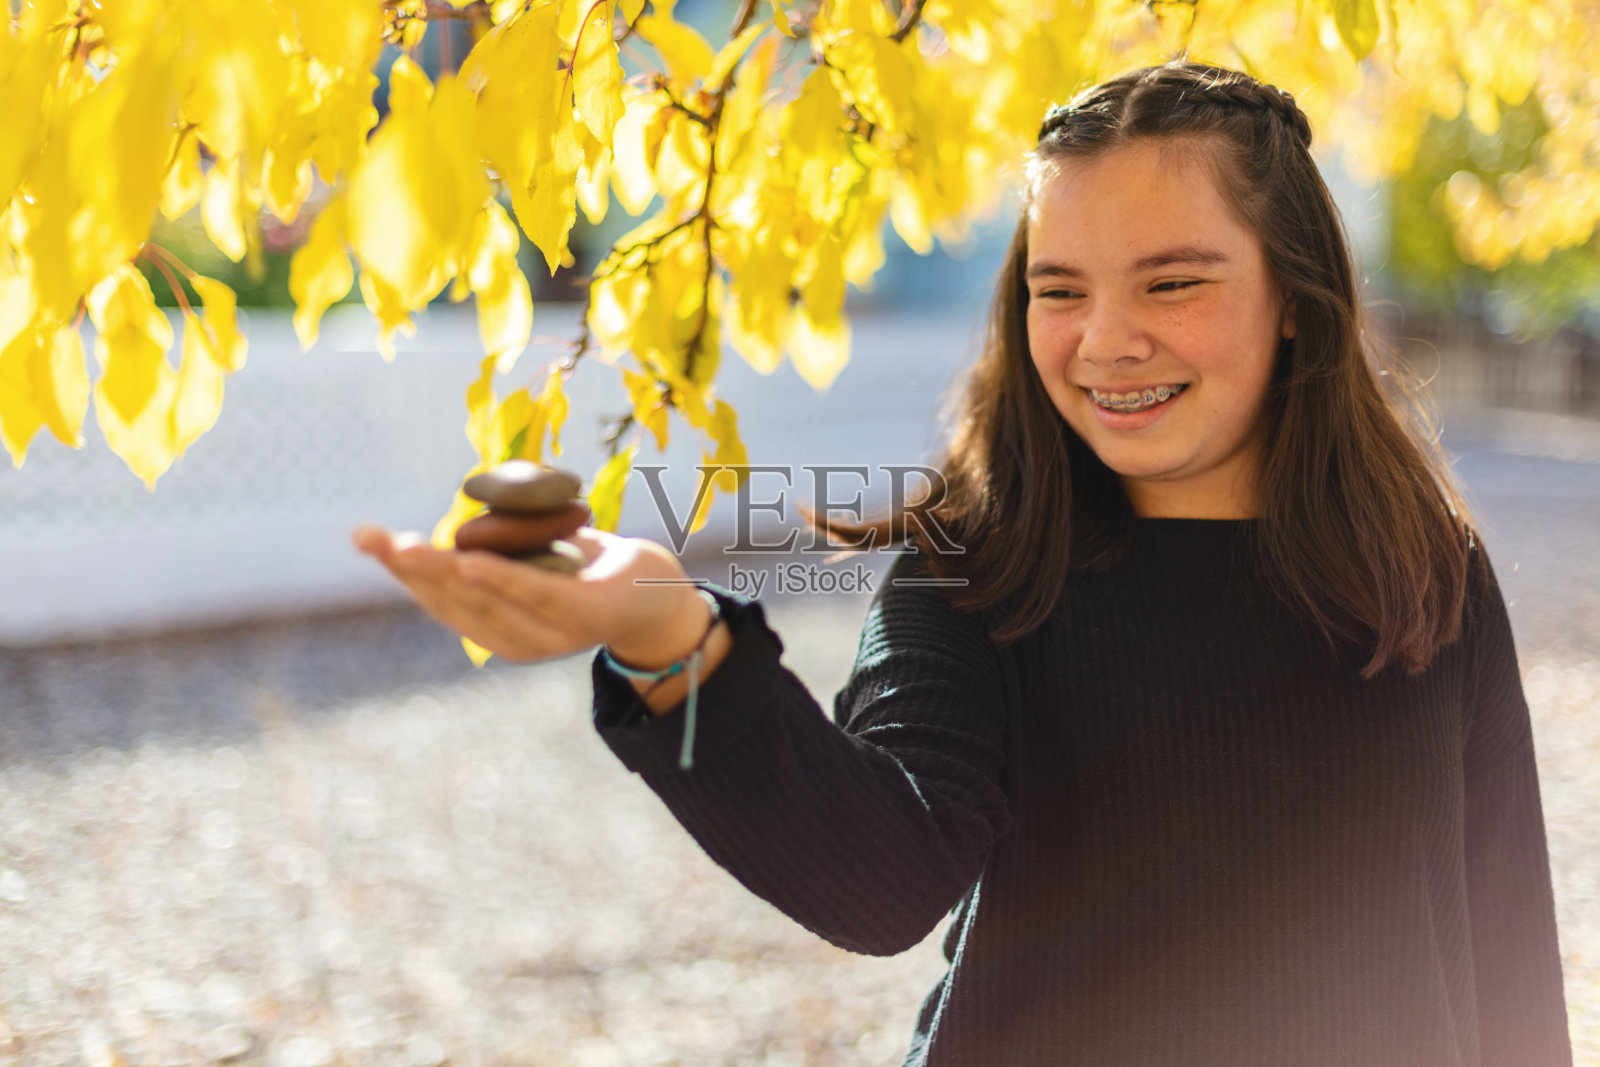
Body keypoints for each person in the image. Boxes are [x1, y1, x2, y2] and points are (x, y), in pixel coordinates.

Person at [354, 61, 1573, 1067]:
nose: (1104, 340)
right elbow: (880, 875)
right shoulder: (977, 567)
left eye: (1173, 281)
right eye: (1060, 288)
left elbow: (1507, 937)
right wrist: (668, 632)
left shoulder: (1422, 571)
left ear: (1295, 295)